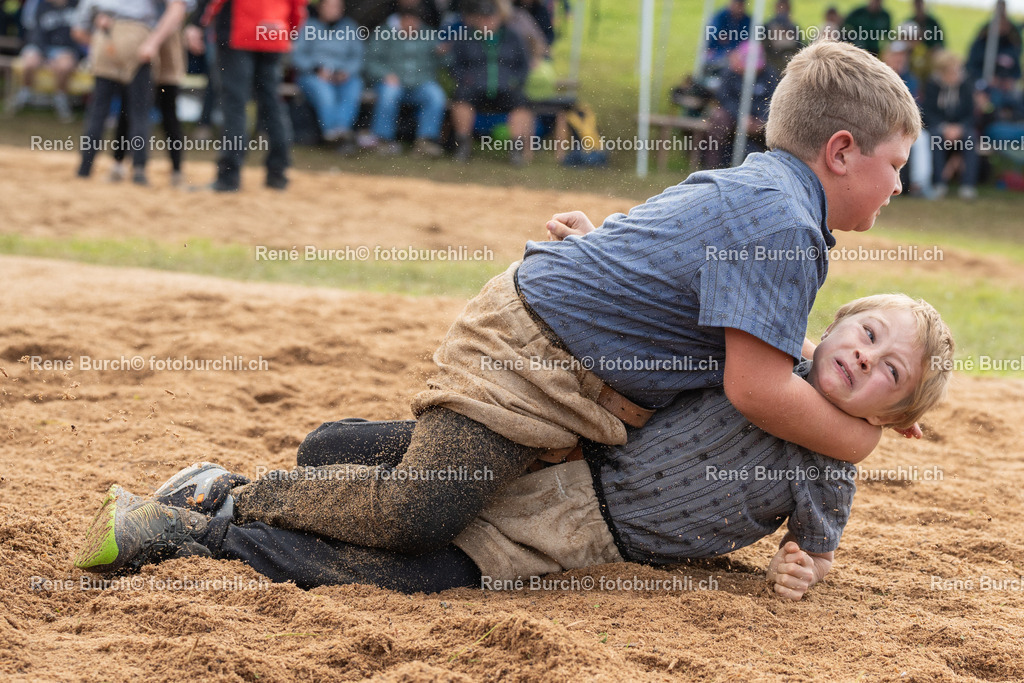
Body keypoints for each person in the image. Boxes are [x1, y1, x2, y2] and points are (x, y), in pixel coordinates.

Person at [80, 40, 921, 572]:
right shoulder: (787, 222)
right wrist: (859, 434)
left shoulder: (768, 193)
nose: (898, 186)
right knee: (421, 511)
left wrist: (594, 245)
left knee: (427, 476)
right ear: (841, 150)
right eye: (896, 164)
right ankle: (223, 498)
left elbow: (676, 264)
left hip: (562, 367)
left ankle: (331, 456)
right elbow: (756, 387)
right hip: (536, 360)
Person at [75, 293, 955, 602]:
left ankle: (200, 529)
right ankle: (235, 484)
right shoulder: (758, 353)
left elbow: (816, 546)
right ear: (836, 322)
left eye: (890, 370)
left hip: (579, 531)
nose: (865, 356)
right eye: (867, 331)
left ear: (896, 414)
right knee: (340, 451)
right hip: (557, 448)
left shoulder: (830, 466)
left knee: (421, 569)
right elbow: (659, 315)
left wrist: (804, 567)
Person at [183, 0, 306, 191]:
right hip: (274, 31)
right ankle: (278, 174)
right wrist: (287, 31)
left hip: (239, 31)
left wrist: (197, 23)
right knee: (273, 104)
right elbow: (298, 7)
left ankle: (229, 177)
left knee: (235, 106)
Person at [72, 0, 190, 184]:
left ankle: (84, 169)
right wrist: (152, 42)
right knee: (140, 111)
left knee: (98, 110)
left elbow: (78, 29)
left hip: (106, 36)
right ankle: (139, 170)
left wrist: (102, 37)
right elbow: (177, 9)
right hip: (139, 36)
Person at [448, 0, 532, 164]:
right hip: (474, 88)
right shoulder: (465, 37)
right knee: (460, 99)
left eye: (490, 18)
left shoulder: (513, 37)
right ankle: (463, 145)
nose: (486, 22)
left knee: (521, 103)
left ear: (499, 18)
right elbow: (454, 65)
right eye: (482, 18)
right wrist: (465, 80)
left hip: (506, 88)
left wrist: (515, 81)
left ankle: (516, 149)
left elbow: (524, 65)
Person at [362, 3, 446, 157]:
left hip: (420, 84)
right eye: (409, 22)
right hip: (392, 84)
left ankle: (425, 141)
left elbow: (446, 62)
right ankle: (383, 139)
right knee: (389, 94)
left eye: (416, 22)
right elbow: (370, 62)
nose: (412, 26)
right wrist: (385, 74)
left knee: (435, 95)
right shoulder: (384, 33)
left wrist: (443, 53)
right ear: (401, 20)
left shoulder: (429, 34)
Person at [110, 29, 188, 185]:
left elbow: (175, 16)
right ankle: (119, 164)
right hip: (140, 51)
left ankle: (176, 170)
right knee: (128, 111)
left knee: (168, 113)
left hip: (163, 52)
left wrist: (153, 41)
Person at [292, 0, 364, 150]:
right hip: (313, 75)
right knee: (324, 92)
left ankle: (341, 130)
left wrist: (347, 71)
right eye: (329, 6)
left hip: (342, 75)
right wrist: (315, 69)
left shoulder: (349, 27)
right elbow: (296, 55)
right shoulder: (308, 26)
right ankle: (331, 133)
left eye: (337, 7)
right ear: (320, 8)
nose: (333, 10)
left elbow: (359, 56)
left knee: (354, 86)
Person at [703, 41, 779, 169]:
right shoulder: (730, 73)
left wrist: (759, 120)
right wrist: (741, 116)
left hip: (760, 120)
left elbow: (773, 100)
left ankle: (770, 167)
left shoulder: (769, 75)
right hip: (733, 116)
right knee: (719, 117)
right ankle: (712, 165)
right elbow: (724, 98)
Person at [13, 0, 83, 122]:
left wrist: (76, 55)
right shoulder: (39, 5)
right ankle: (24, 95)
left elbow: (79, 35)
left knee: (64, 66)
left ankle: (60, 100)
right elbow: (35, 33)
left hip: (65, 48)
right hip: (41, 46)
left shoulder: (77, 5)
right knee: (30, 62)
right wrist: (46, 56)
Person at [924, 50, 979, 200]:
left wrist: (959, 128)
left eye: (957, 71)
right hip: (939, 127)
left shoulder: (966, 84)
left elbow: (971, 113)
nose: (956, 75)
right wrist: (944, 127)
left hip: (961, 127)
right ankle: (939, 183)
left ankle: (968, 185)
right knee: (935, 138)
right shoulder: (932, 85)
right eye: (951, 72)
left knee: (970, 138)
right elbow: (927, 112)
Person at [705, 0, 750, 72]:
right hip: (719, 53)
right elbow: (713, 39)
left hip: (741, 55)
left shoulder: (747, 20)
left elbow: (748, 42)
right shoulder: (720, 18)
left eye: (741, 5)